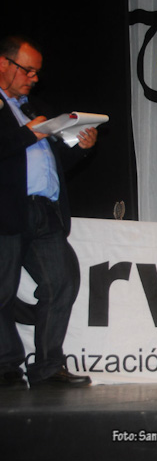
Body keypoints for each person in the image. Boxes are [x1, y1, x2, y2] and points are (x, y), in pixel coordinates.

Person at [0, 35, 97, 389]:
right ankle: (6, 364)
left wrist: (80, 147)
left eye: (36, 72)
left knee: (61, 281)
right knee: (2, 290)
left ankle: (48, 366)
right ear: (3, 63)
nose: (34, 78)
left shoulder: (32, 107)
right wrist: (28, 135)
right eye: (28, 70)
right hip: (7, 209)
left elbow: (55, 162)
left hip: (45, 210)